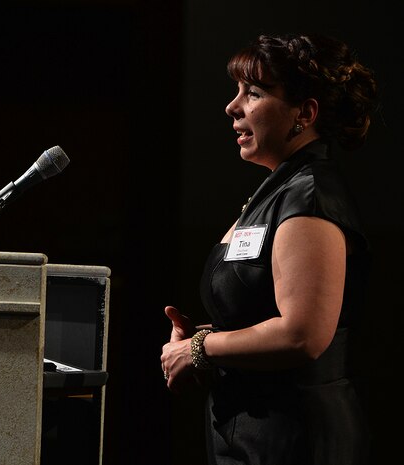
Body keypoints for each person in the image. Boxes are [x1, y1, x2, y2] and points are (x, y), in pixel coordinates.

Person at [160, 33, 378, 465]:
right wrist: (206, 340)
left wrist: (200, 349)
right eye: (237, 91)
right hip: (256, 433)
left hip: (295, 439)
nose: (232, 106)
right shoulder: (280, 188)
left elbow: (301, 334)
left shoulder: (309, 195)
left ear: (305, 113)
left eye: (254, 93)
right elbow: (261, 312)